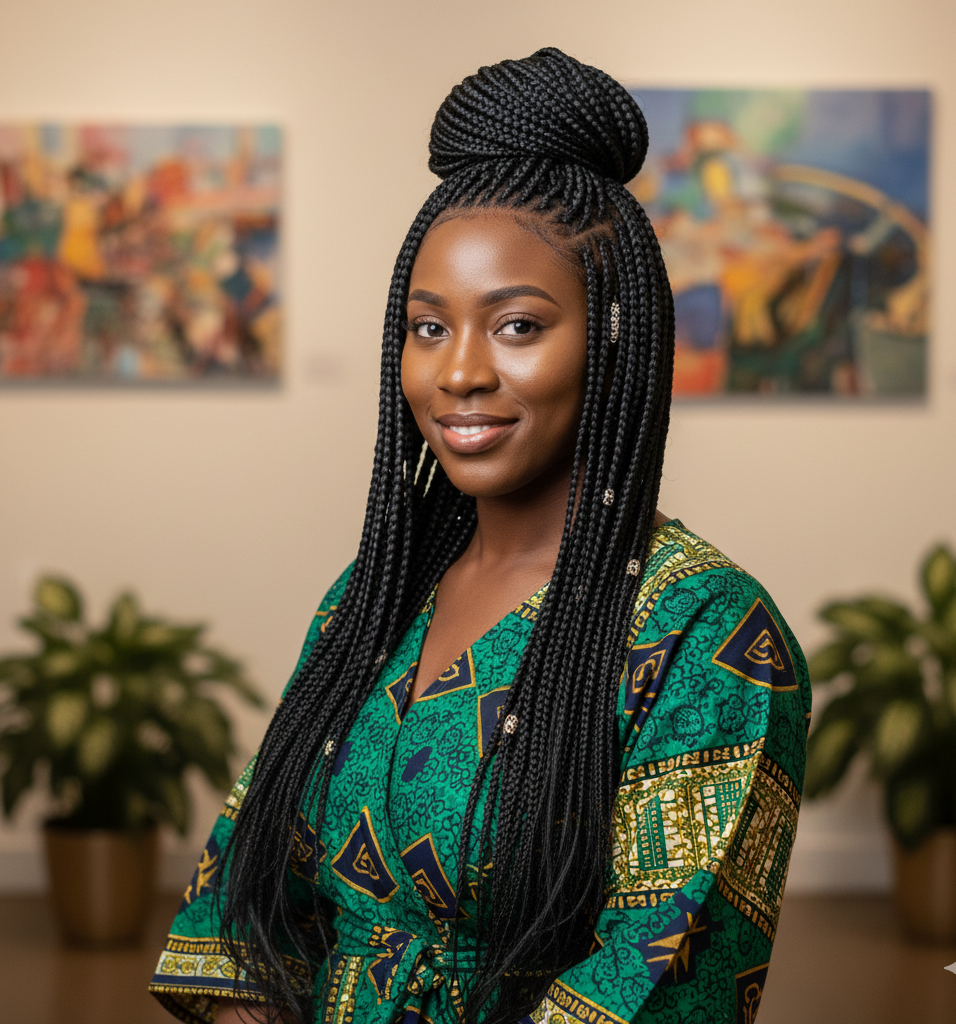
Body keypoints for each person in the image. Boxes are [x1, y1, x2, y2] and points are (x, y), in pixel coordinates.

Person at [150, 48, 810, 1024]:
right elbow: (245, 888)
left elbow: (654, 982)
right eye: (428, 328)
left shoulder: (707, 633)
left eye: (515, 325)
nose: (458, 371)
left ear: (611, 339)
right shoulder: (378, 590)